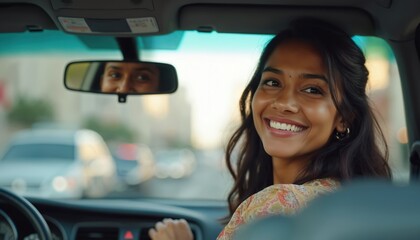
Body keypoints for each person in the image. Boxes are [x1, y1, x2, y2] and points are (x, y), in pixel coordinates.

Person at [148, 18, 392, 240]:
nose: (284, 103)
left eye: (312, 89)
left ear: (345, 118)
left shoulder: (276, 207)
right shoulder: (353, 202)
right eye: (273, 82)